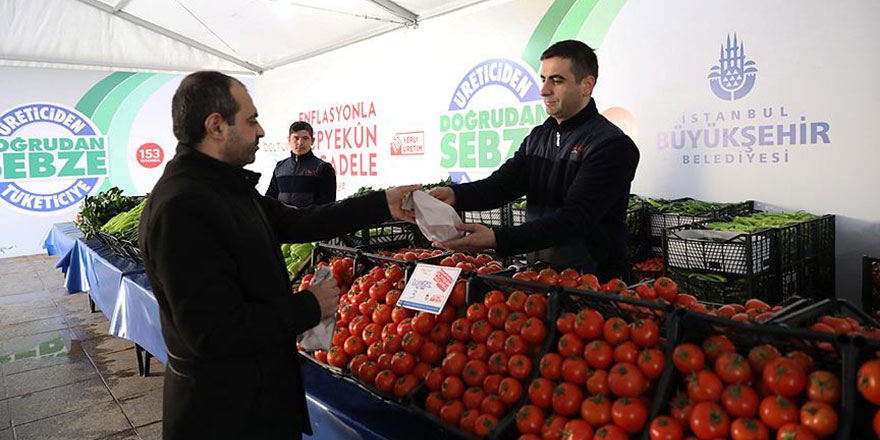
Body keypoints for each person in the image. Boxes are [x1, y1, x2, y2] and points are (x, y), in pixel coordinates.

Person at [137, 71, 417, 440]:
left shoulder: (224, 187)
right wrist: (308, 306)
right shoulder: (183, 206)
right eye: (251, 119)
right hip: (224, 417)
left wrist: (382, 203)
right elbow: (213, 331)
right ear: (216, 126)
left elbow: (299, 223)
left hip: (256, 402)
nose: (262, 131)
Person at [430, 40, 640, 282]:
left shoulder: (611, 145)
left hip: (594, 284)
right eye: (543, 79)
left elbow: (575, 219)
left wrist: (497, 239)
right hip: (542, 278)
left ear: (587, 85)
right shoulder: (538, 137)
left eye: (557, 80)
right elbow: (501, 186)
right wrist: (453, 194)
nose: (544, 90)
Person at [265, 121, 336, 207]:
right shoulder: (280, 167)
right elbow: (269, 198)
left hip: (310, 220)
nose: (300, 143)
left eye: (305, 138)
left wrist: (299, 214)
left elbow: (327, 203)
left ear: (312, 141)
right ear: (289, 140)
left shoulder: (323, 168)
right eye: (296, 138)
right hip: (281, 219)